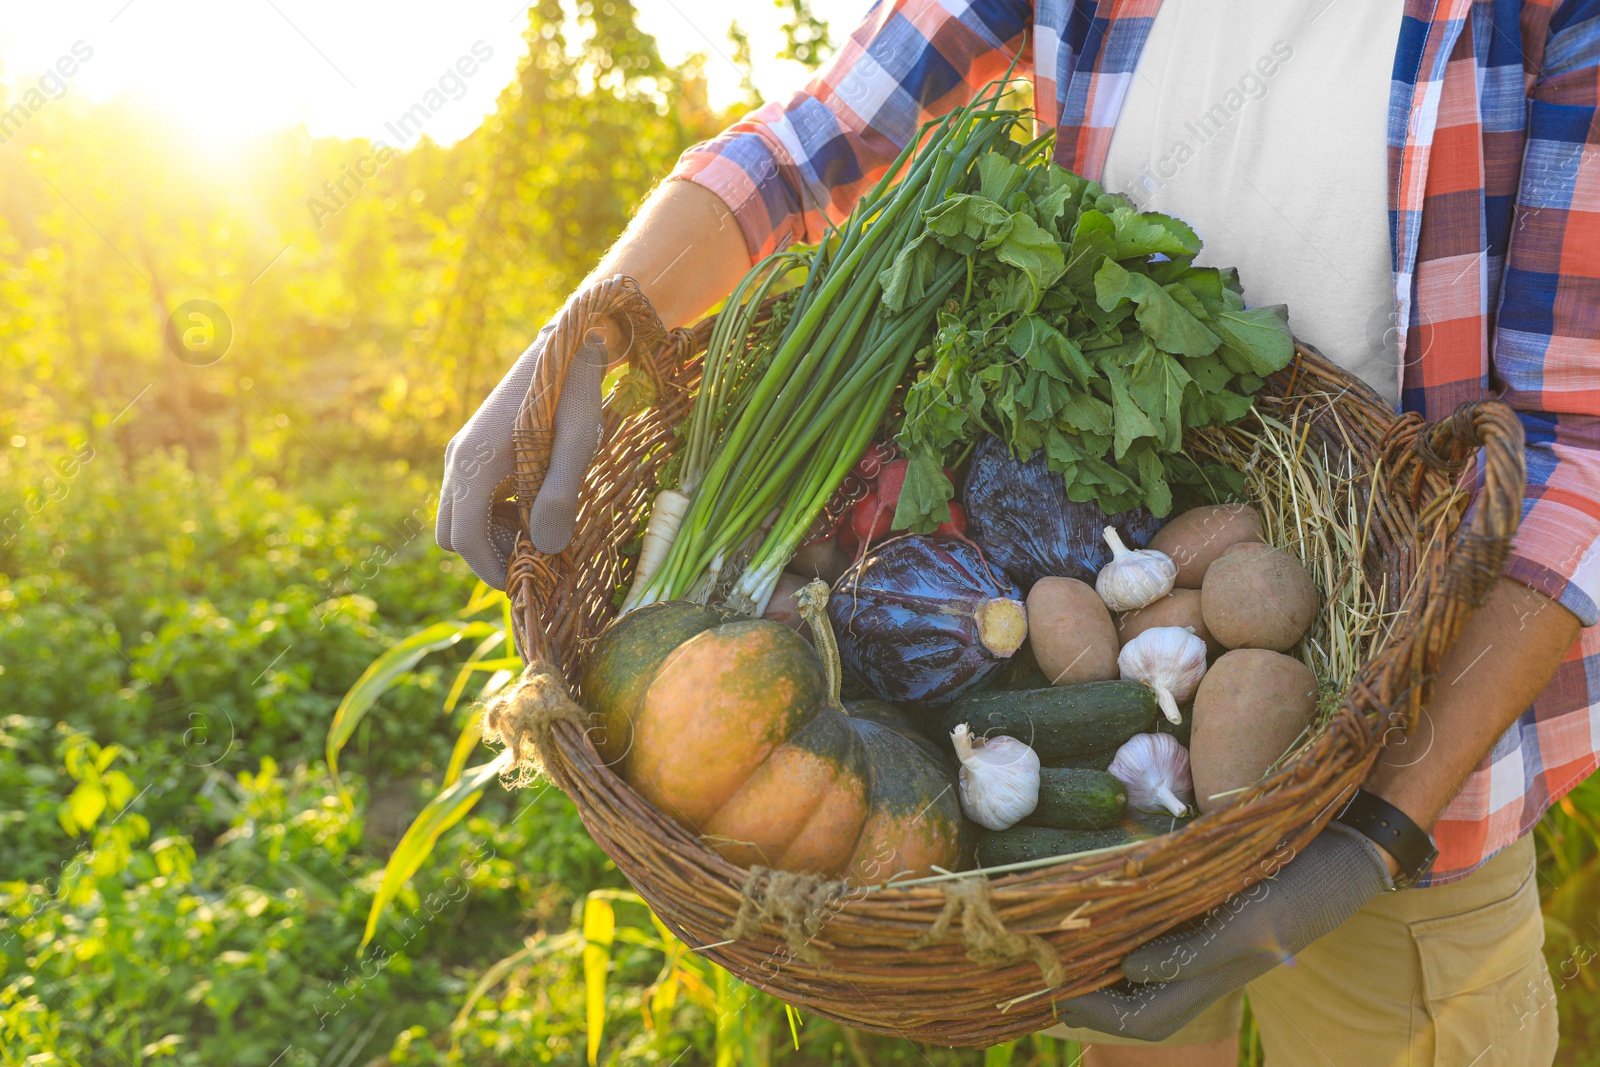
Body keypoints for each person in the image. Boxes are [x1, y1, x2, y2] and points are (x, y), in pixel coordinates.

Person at [438, 1, 1600, 1061]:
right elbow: (817, 138)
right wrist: (577, 341)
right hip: (1117, 845)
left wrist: (1372, 835)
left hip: (1424, 743)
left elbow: (1572, 449)